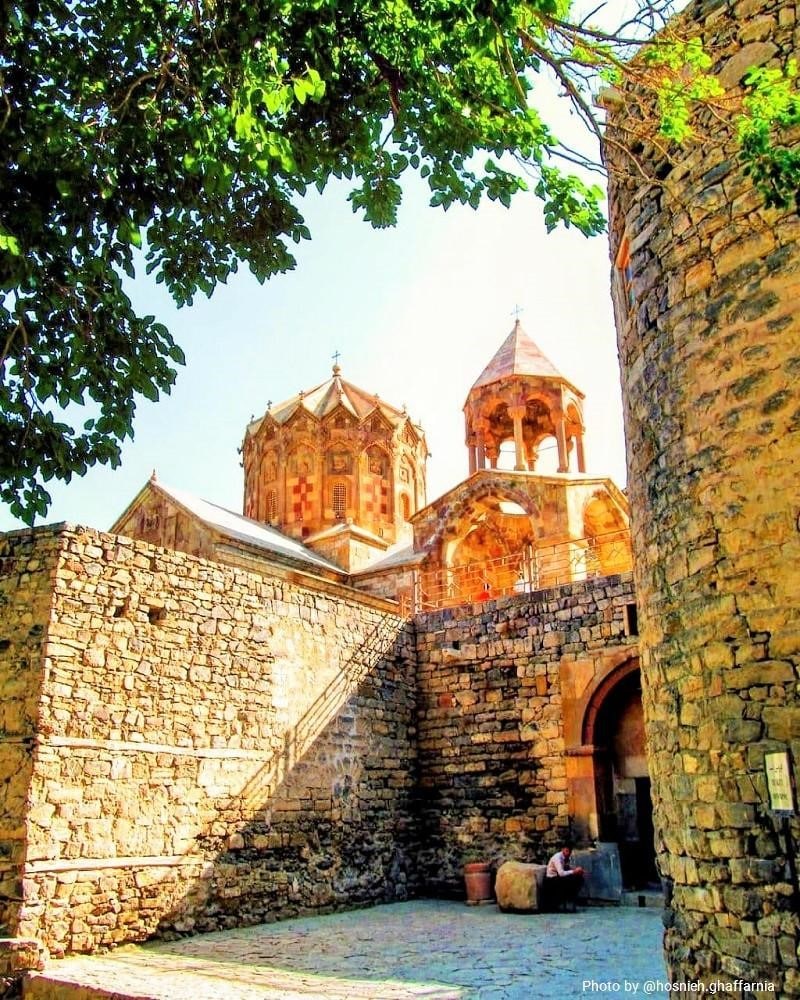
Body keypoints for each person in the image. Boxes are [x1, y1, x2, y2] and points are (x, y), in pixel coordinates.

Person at [544, 845, 585, 912]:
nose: (568, 853)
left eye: (569, 851)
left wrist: (577, 871)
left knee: (578, 878)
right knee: (572, 880)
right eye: (566, 851)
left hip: (558, 878)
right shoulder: (557, 858)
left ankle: (570, 901)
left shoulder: (565, 858)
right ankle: (568, 902)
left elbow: (567, 868)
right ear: (562, 849)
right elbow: (561, 873)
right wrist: (574, 871)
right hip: (552, 880)